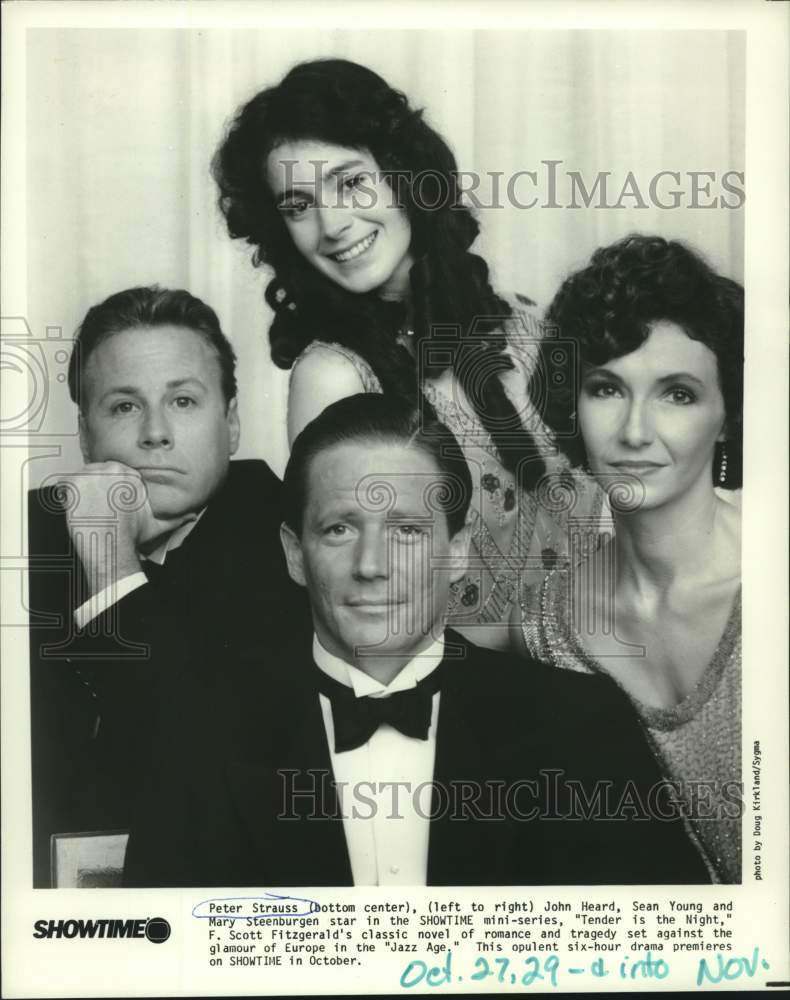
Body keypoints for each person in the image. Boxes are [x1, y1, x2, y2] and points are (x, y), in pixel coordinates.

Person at [124, 394, 709, 887]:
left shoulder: (582, 725)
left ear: (458, 549)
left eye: (405, 530)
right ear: (293, 553)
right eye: (338, 529)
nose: (371, 566)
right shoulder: (199, 738)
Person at [211, 57, 603, 651]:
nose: (333, 224)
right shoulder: (334, 376)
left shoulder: (526, 324)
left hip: (613, 662)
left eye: (350, 182)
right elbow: (372, 602)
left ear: (405, 174)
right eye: (297, 206)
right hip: (490, 702)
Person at [28, 285, 307, 887]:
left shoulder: (296, 545)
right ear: (84, 433)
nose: (155, 433)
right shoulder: (25, 535)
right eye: (124, 406)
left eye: (183, 401)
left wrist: (113, 566)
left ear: (231, 423)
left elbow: (191, 768)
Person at [512, 235, 743, 883]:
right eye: (607, 388)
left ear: (728, 415)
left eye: (678, 394)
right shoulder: (545, 628)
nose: (635, 431)